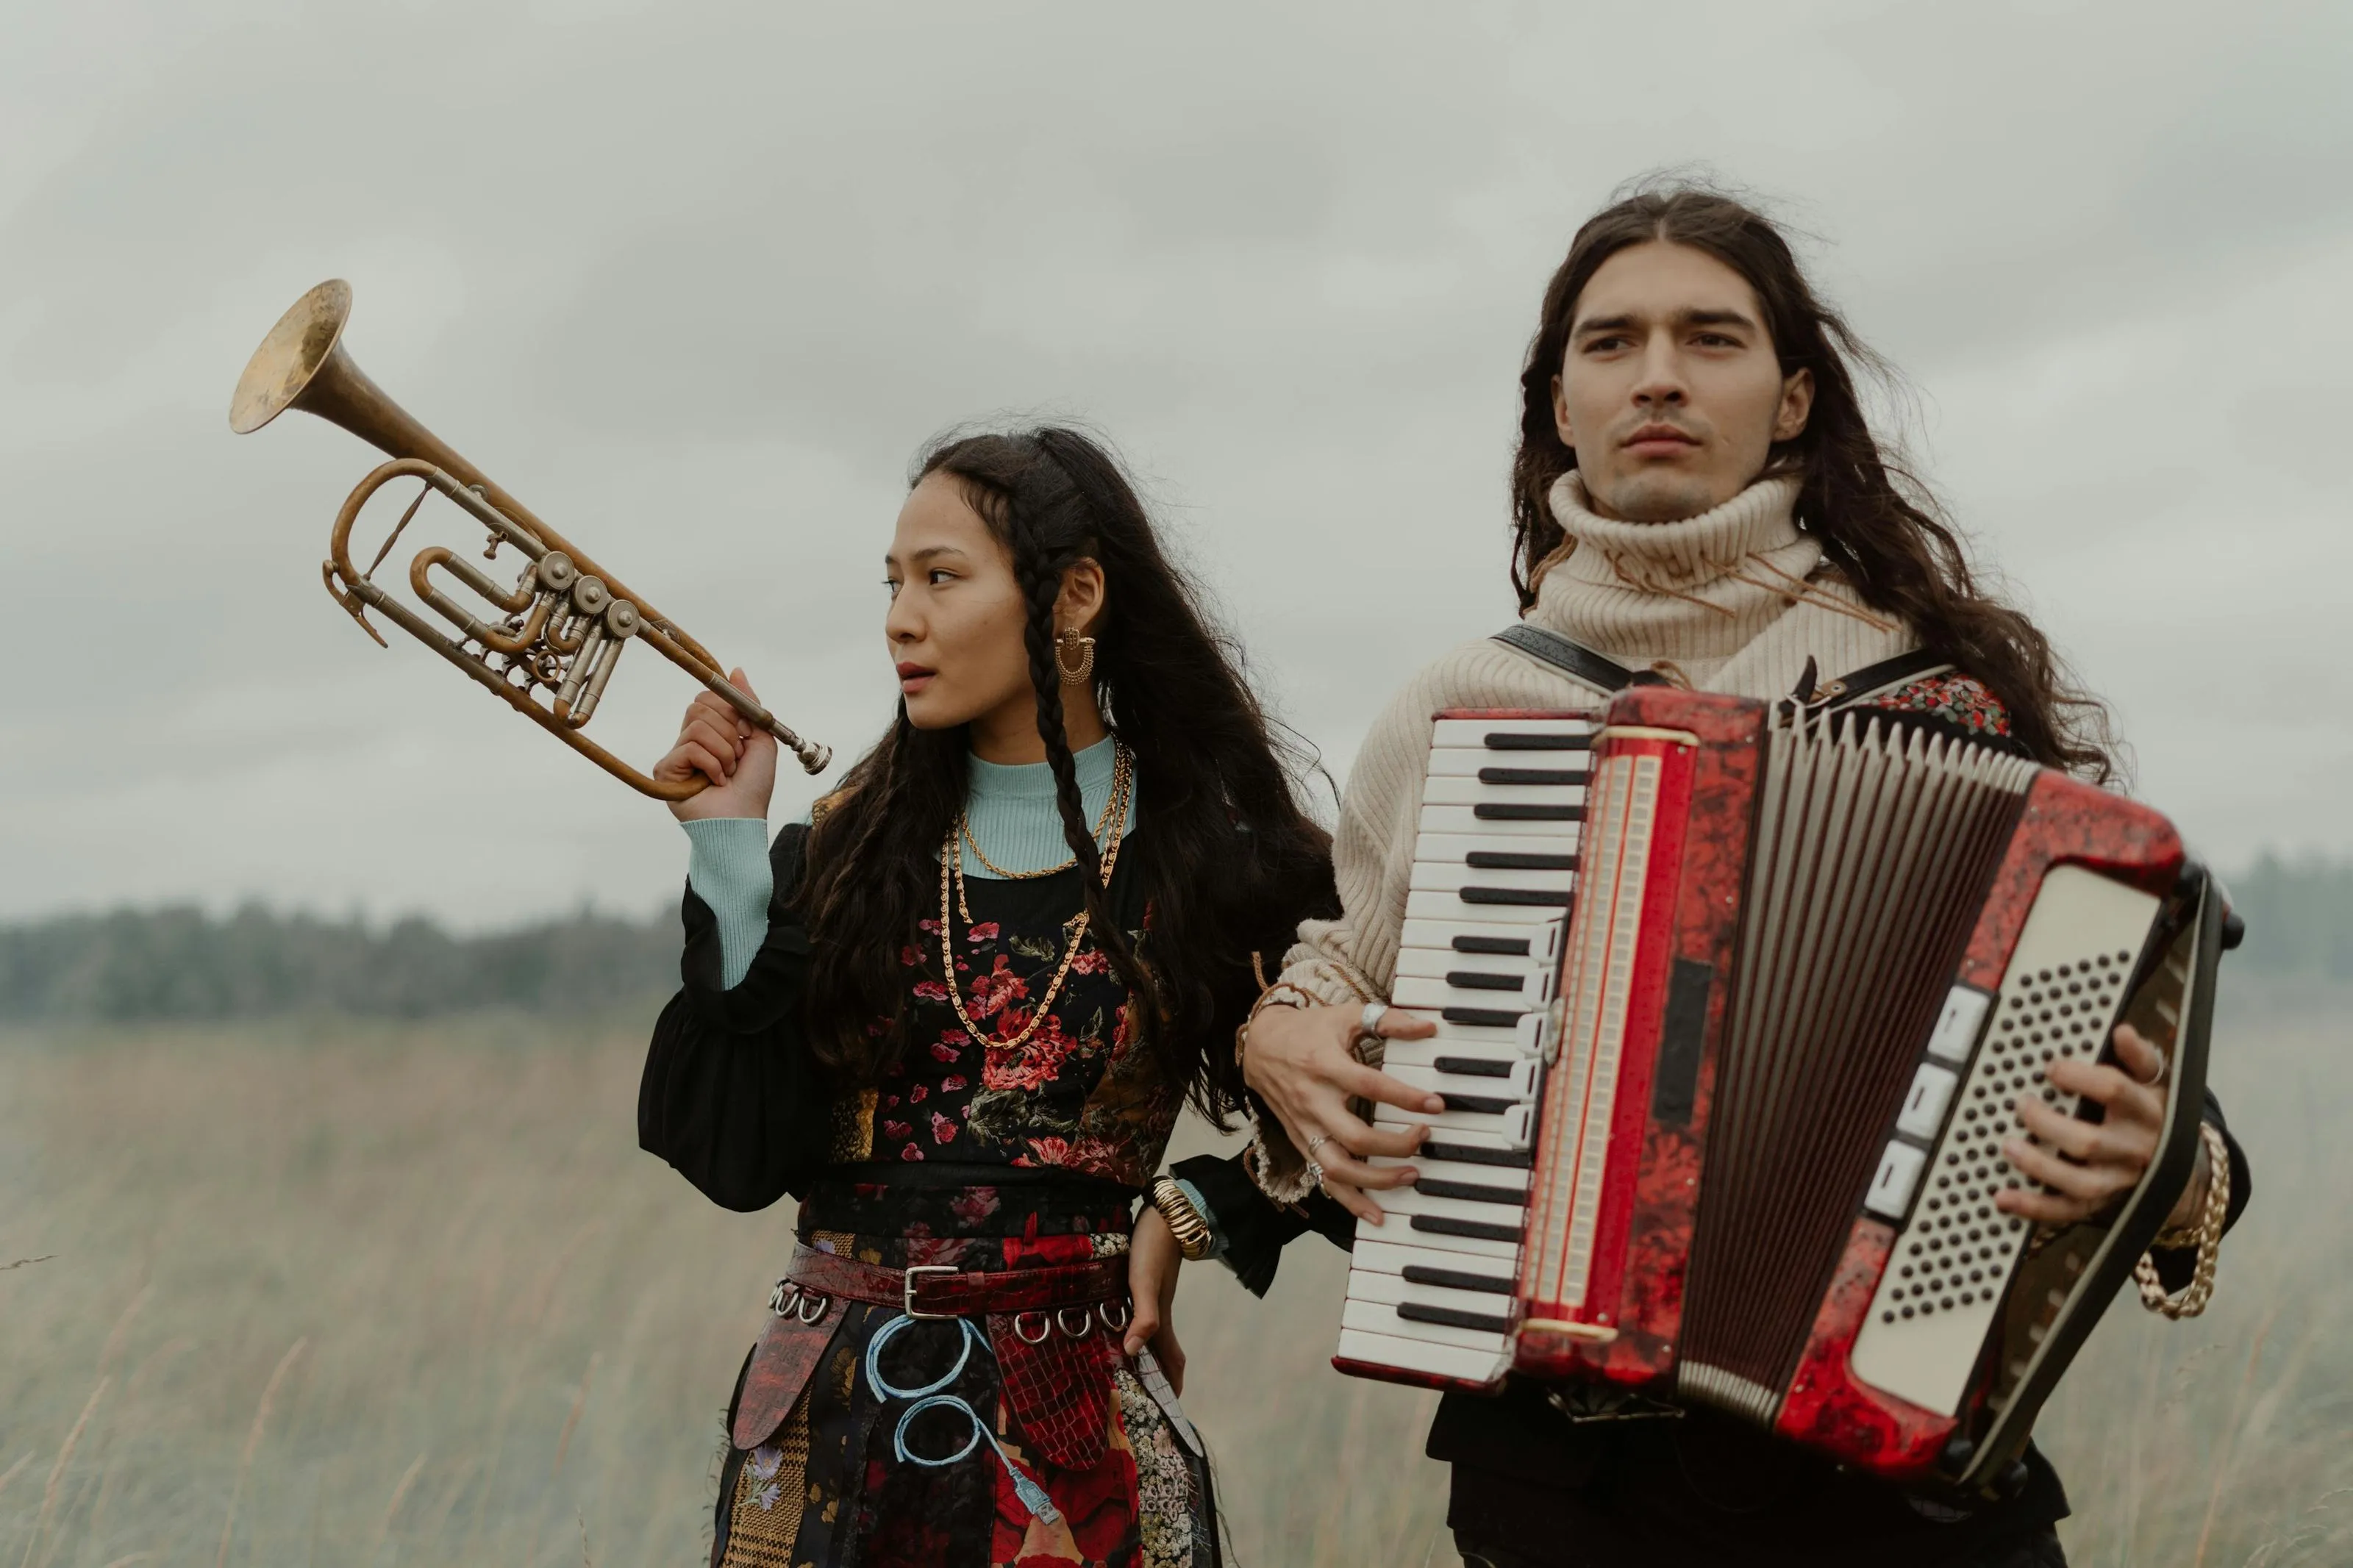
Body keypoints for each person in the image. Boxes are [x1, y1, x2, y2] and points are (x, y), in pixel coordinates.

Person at [1215, 185, 2253, 1568]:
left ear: (1792, 399)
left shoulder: (1942, 695)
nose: (1658, 374)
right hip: (1564, 1493)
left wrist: (2163, 1166)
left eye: (1710, 338)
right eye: (1612, 342)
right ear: (1558, 408)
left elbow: (2153, 1092)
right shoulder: (1468, 705)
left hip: (1897, 1495)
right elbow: (1348, 965)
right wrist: (1282, 1033)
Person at [636, 426, 1336, 1568]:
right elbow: (736, 1157)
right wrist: (727, 850)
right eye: (893, 583)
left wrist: (1196, 1209)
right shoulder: (848, 853)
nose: (899, 618)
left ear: (1075, 596)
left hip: (1077, 1448)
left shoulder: (1211, 858)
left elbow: (1379, 1098)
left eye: (942, 577)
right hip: (826, 1432)